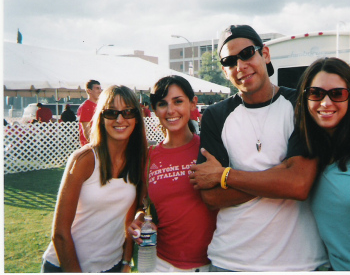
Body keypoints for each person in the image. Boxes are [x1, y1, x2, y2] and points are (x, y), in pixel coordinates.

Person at [189, 25, 327, 272]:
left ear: (265, 54)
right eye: (230, 61)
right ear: (224, 70)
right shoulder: (215, 116)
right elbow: (211, 197)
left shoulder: (300, 104)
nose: (240, 66)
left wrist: (225, 176)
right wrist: (279, 174)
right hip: (231, 261)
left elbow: (299, 185)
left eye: (247, 53)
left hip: (299, 262)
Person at [41, 85, 147, 272]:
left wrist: (126, 262)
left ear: (136, 118)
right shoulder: (84, 159)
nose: (120, 119)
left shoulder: (137, 161)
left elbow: (129, 220)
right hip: (65, 266)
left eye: (128, 112)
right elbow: (60, 234)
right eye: (111, 113)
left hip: (111, 267)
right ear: (101, 118)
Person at [128, 75, 217, 272]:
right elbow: (145, 206)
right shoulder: (149, 157)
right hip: (162, 264)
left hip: (209, 264)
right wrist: (139, 219)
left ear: (193, 104)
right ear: (154, 110)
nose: (170, 110)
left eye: (178, 101)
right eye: (162, 103)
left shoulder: (209, 149)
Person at [77, 80, 102, 146]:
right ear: (89, 91)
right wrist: (94, 144)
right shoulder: (85, 107)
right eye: (97, 88)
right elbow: (87, 131)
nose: (100, 91)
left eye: (100, 88)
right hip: (90, 146)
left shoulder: (100, 106)